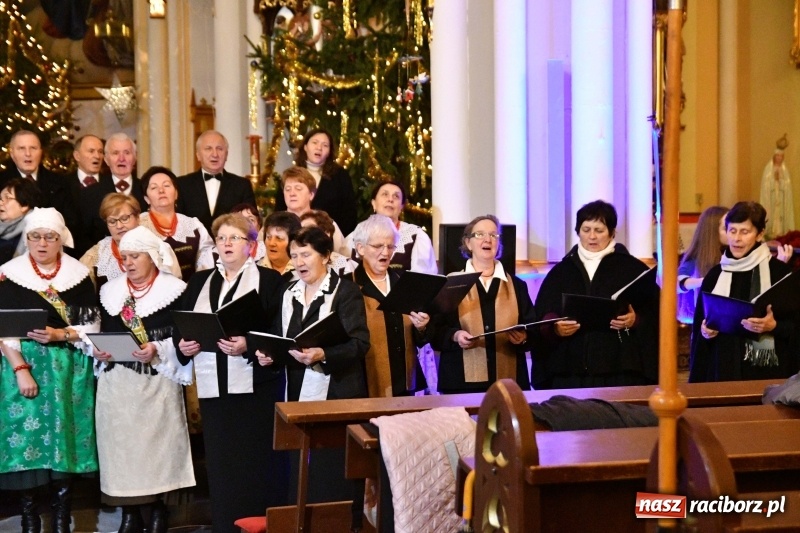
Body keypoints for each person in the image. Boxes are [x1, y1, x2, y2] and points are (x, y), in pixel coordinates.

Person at [176, 213, 287, 533]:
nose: (225, 244)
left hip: (257, 392)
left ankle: (264, 526)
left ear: (251, 246)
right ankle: (226, 526)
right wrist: (182, 345)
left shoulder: (269, 282)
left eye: (233, 238)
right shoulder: (199, 281)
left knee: (257, 465)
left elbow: (279, 330)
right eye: (221, 238)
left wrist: (248, 345)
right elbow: (181, 325)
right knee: (223, 469)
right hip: (215, 395)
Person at [255, 226, 369, 525]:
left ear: (326, 256)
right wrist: (270, 356)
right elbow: (283, 339)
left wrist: (324, 354)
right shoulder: (288, 291)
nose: (299, 262)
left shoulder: (345, 291)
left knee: (331, 467)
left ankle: (338, 524)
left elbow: (360, 343)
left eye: (306, 254)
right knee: (301, 467)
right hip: (297, 392)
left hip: (337, 393)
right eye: (294, 256)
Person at [0, 208, 100, 533]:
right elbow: (2, 329)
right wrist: (20, 369)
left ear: (61, 239)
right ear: (26, 238)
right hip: (22, 365)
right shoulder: (7, 275)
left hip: (69, 368)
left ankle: (61, 521)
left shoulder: (79, 275)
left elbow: (93, 325)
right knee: (27, 441)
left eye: (50, 237)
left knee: (65, 445)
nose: (42, 243)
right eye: (35, 236)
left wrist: (62, 334)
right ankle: (30, 521)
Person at [94, 226, 195, 533]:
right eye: (124, 257)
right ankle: (130, 513)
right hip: (117, 382)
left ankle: (158, 512)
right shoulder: (110, 292)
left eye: (135, 256)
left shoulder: (174, 290)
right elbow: (99, 331)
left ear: (152, 257)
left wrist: (157, 347)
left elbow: (183, 337)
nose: (128, 262)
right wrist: (98, 349)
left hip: (156, 381)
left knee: (157, 450)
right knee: (121, 451)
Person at [532, 200, 660, 389]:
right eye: (586, 230)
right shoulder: (561, 272)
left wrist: (635, 320)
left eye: (599, 230)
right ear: (578, 231)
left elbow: (656, 313)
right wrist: (555, 328)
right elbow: (542, 316)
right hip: (569, 371)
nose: (592, 236)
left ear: (612, 232)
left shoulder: (632, 269)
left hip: (621, 369)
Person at [690, 201, 800, 382]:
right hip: (723, 370)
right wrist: (705, 331)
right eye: (732, 231)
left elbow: (795, 326)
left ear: (760, 234)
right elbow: (700, 328)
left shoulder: (779, 274)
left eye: (744, 232)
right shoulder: (715, 275)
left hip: (768, 375)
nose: (736, 239)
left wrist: (774, 327)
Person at [429, 214, 535, 394]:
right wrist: (455, 336)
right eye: (480, 234)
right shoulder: (450, 284)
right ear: (468, 243)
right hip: (460, 382)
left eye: (493, 235)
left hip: (509, 382)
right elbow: (435, 331)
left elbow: (533, 328)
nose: (488, 239)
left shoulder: (517, 286)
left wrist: (523, 337)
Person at [350, 214, 427, 397]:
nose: (386, 253)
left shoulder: (403, 284)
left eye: (390, 246)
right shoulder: (349, 287)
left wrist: (421, 328)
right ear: (360, 248)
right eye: (378, 246)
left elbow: (420, 339)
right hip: (366, 385)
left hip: (404, 382)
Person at [80, 193, 181, 294]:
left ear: (137, 217)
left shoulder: (157, 246)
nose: (119, 226)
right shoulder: (95, 256)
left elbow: (174, 287)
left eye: (124, 218)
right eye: (112, 221)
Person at [0, 130, 79, 254]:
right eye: (21, 148)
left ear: (41, 152)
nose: (28, 154)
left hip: (54, 254)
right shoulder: (1, 183)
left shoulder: (61, 183)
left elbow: (72, 223)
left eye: (33, 148)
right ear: (12, 153)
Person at [275, 128, 358, 235]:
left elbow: (349, 212)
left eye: (325, 145)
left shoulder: (340, 175)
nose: (319, 148)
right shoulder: (292, 174)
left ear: (329, 152)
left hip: (330, 234)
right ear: (305, 147)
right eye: (315, 143)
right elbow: (280, 208)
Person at [138, 166, 214, 281]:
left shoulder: (193, 224)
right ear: (146, 199)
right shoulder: (138, 226)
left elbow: (207, 258)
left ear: (176, 194)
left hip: (191, 291)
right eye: (154, 187)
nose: (161, 190)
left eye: (167, 185)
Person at [346, 180, 437, 274]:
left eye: (396, 196)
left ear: (401, 207)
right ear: (373, 203)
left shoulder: (416, 236)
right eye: (385, 194)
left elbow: (423, 280)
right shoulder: (354, 237)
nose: (390, 199)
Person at [176, 130, 257, 234]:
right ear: (198, 155)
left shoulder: (242, 185)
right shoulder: (182, 185)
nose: (215, 154)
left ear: (226, 155)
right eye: (208, 149)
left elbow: (250, 222)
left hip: (232, 247)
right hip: (193, 248)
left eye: (219, 149)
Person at [81, 132, 147, 246]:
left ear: (135, 158)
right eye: (115, 153)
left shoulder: (147, 189)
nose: (121, 159)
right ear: (106, 159)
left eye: (127, 153)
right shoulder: (89, 194)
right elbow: (83, 237)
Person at [279, 166, 348, 254]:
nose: (292, 193)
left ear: (311, 194)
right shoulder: (274, 222)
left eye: (298, 188)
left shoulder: (325, 223)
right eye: (287, 189)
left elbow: (343, 255)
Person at [677, 206, 728, 324]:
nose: (733, 234)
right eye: (726, 228)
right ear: (712, 231)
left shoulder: (731, 253)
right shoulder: (697, 257)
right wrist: (703, 281)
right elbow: (678, 282)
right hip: (705, 321)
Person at [67, 135, 104, 256]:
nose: (97, 156)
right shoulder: (63, 185)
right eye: (91, 151)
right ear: (77, 156)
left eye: (100, 151)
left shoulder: (110, 185)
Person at [300, 210, 357, 276]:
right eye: (301, 230)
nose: (303, 235)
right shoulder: (293, 264)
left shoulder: (345, 266)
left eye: (310, 229)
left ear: (326, 233)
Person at [0, 178, 42, 265]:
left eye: (7, 198)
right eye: (0, 198)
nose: (0, 203)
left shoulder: (37, 232)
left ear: (24, 205)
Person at [760, 138, 795, 239]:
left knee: (780, 218)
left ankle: (782, 234)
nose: (779, 158)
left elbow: (787, 187)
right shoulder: (768, 170)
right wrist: (773, 181)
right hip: (772, 200)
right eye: (777, 156)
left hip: (781, 200)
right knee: (773, 217)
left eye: (781, 156)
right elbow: (765, 186)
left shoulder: (785, 170)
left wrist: (780, 181)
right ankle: (770, 233)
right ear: (774, 157)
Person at [258, 210, 302, 280]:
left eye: (279, 238)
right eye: (268, 237)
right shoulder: (254, 270)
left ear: (293, 242)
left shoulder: (303, 271)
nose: (271, 243)